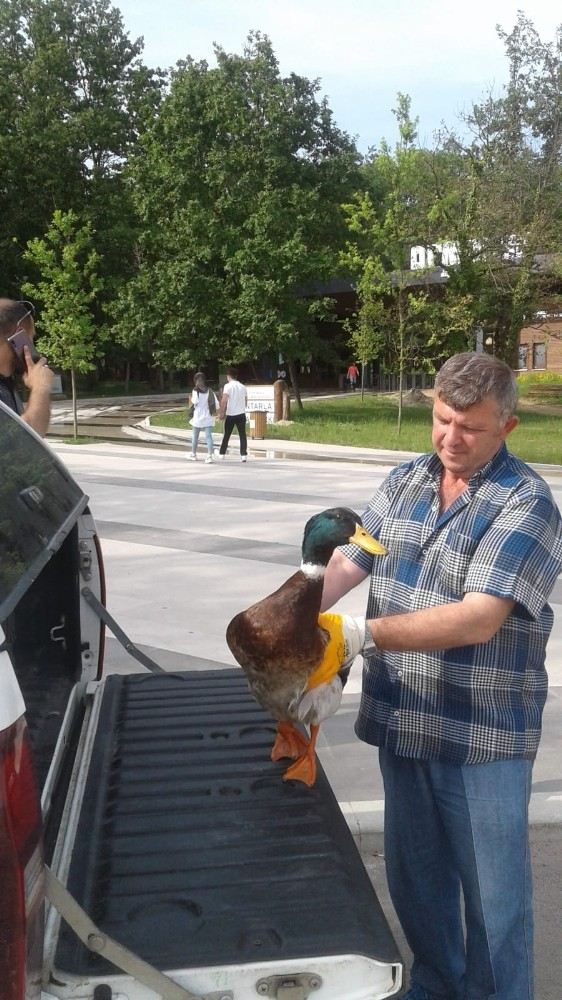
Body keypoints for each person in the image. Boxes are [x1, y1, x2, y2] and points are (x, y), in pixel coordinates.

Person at [320, 352, 562, 1000]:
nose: (451, 438)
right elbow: (355, 555)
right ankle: (435, 985)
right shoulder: (404, 482)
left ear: (507, 427)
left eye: (470, 428)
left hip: (480, 738)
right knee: (417, 881)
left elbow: (479, 619)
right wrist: (296, 606)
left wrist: (359, 634)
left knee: (494, 903)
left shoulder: (527, 504)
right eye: (442, 419)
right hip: (404, 719)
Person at [0, 298, 53, 436]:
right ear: (19, 335)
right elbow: (23, 443)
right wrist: (40, 388)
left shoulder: (6, 385)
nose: (32, 346)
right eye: (31, 338)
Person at [218, 367, 248, 462]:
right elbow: (246, 401)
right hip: (241, 414)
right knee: (242, 435)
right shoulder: (243, 387)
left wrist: (221, 412)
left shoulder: (228, 386)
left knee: (227, 434)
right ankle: (243, 455)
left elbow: (224, 400)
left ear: (228, 376)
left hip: (231, 414)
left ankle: (222, 453)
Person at [188, 372, 218, 463]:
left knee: (195, 436)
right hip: (208, 415)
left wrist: (190, 399)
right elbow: (216, 403)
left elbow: (195, 401)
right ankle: (209, 455)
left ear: (195, 381)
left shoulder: (195, 390)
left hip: (198, 416)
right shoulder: (209, 390)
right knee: (208, 436)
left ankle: (193, 454)